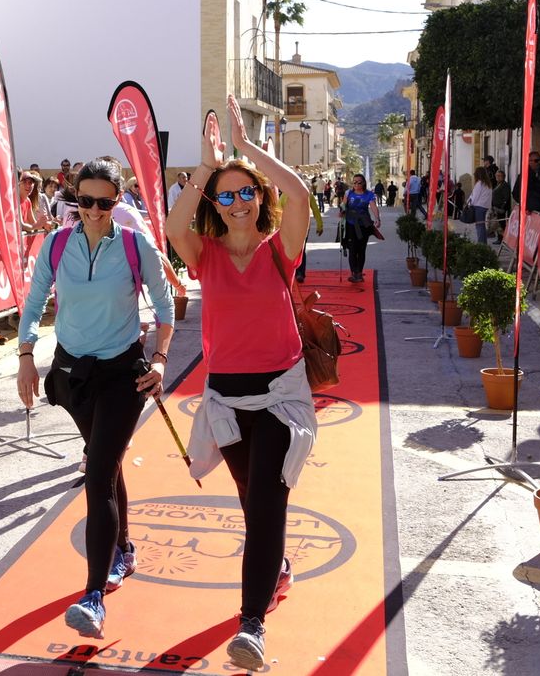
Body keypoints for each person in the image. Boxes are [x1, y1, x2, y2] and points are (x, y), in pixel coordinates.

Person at [168, 95, 315, 671]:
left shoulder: (281, 248)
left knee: (268, 500)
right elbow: (172, 224)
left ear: (259, 198)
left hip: (280, 397)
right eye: (226, 195)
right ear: (216, 203)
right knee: (252, 501)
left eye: (246, 192)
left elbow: (299, 195)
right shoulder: (201, 254)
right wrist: (206, 165)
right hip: (227, 399)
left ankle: (251, 623)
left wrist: (249, 149)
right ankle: (276, 568)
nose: (236, 203)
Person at [16, 157, 174, 641]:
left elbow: (167, 306)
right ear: (73, 198)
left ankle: (92, 597)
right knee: (109, 464)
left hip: (123, 373)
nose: (94, 211)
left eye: (105, 202)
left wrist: (162, 359)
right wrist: (26, 355)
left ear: (118, 200)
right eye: (85, 201)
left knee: (99, 471)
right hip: (73, 373)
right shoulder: (57, 243)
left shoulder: (133, 244)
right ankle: (123, 548)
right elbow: (36, 296)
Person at [338, 173, 380, 283]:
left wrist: (377, 218)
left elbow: (373, 207)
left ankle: (359, 273)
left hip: (363, 226)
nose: (356, 184)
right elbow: (343, 205)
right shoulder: (349, 193)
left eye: (359, 182)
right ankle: (354, 273)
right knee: (352, 249)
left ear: (364, 183)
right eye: (354, 182)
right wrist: (342, 211)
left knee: (361, 250)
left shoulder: (369, 195)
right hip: (351, 225)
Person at [468, 166, 493, 242]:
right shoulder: (487, 183)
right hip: (485, 206)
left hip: (479, 207)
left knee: (479, 226)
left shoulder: (479, 183)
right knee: (482, 226)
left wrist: (469, 204)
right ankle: (483, 244)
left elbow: (475, 197)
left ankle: (481, 244)